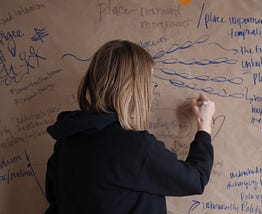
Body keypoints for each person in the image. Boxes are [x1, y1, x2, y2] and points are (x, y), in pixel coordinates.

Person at [45, 40, 216, 214]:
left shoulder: (66, 142)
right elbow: (196, 179)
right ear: (134, 88)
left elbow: (55, 206)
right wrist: (204, 126)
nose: (150, 92)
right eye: (149, 84)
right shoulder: (134, 147)